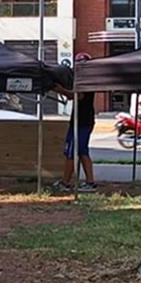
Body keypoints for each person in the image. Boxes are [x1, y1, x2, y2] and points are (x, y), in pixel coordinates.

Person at [54, 53, 97, 193]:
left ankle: (66, 182)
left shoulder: (86, 81)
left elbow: (77, 96)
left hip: (82, 121)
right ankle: (89, 182)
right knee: (81, 151)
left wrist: (60, 90)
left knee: (72, 152)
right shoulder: (85, 79)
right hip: (80, 120)